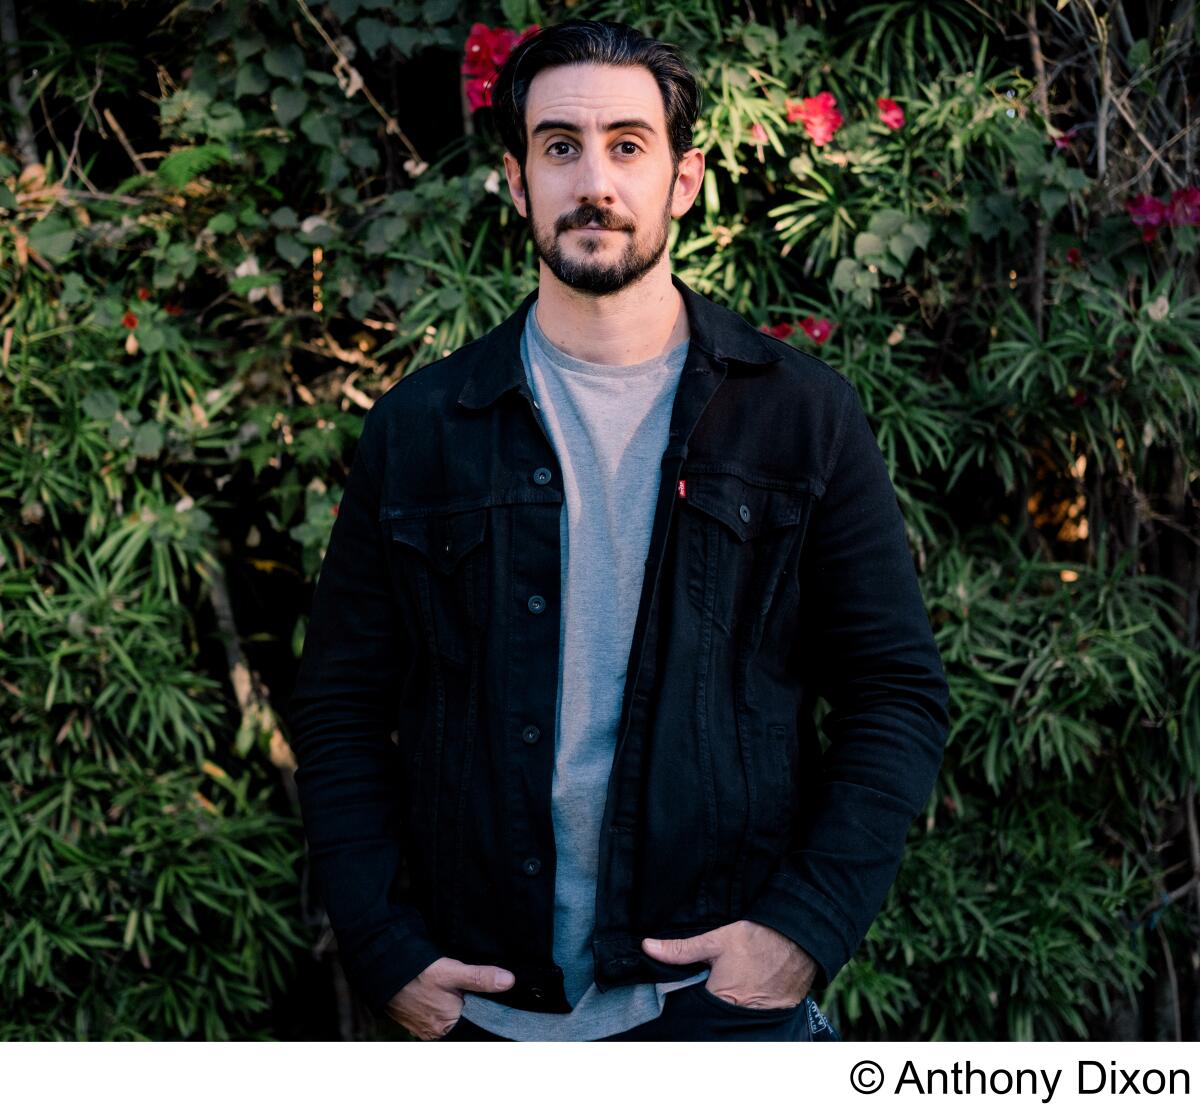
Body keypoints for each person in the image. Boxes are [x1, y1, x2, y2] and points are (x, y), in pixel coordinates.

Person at [286, 17, 950, 1043]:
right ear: (517, 181)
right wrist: (384, 945)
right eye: (560, 146)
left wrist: (804, 928)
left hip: (717, 1006)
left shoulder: (798, 417)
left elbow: (895, 694)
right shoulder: (422, 430)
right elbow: (339, 706)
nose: (594, 178)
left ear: (682, 180)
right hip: (482, 1011)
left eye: (627, 145)